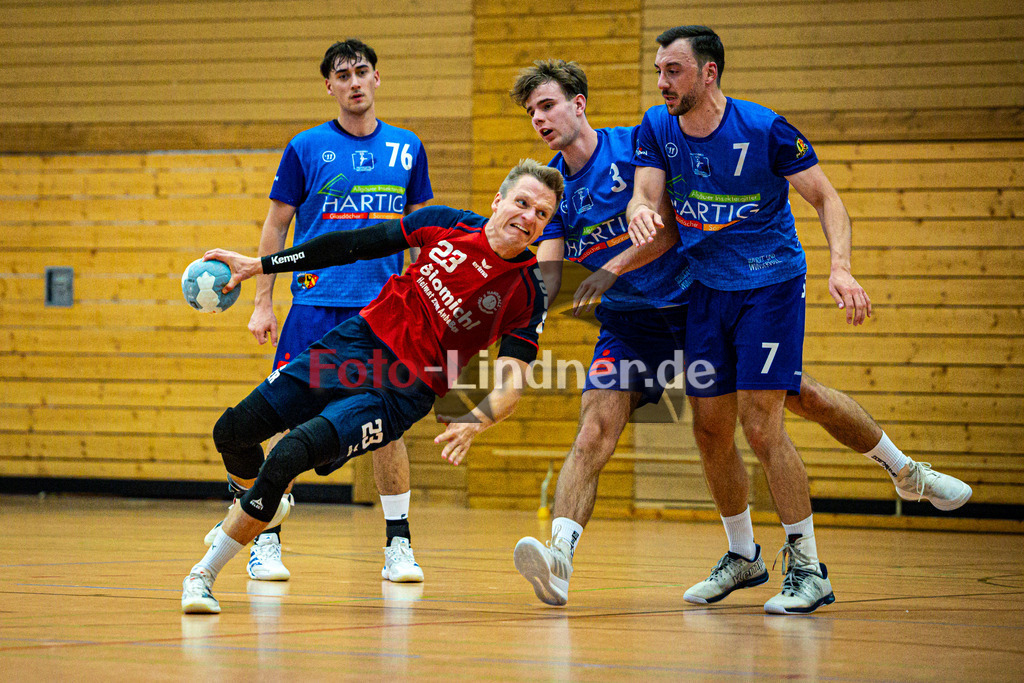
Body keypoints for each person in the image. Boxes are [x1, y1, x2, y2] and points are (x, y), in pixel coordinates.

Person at [507, 59, 972, 610]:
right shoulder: (556, 191)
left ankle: (906, 471)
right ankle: (561, 559)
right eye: (531, 112)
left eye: (547, 105)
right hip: (631, 326)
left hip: (698, 303)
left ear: (578, 104)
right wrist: (513, 282)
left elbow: (670, 230)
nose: (539, 119)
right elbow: (550, 273)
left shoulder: (637, 146)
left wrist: (611, 268)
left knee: (795, 398)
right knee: (596, 429)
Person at [181, 159, 562, 614]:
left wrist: (477, 419)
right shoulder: (447, 224)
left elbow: (512, 382)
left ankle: (202, 575)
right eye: (522, 202)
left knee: (288, 454)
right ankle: (260, 504)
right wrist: (259, 265)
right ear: (498, 201)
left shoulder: (528, 291)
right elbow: (350, 245)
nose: (529, 217)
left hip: (400, 390)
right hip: (354, 343)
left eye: (542, 213)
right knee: (232, 431)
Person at [212, 39, 434, 584]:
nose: (354, 81)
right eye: (343, 74)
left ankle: (398, 546)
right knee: (281, 420)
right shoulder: (305, 147)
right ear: (329, 86)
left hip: (383, 313)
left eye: (362, 71)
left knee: (388, 425)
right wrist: (263, 302)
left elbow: (425, 232)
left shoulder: (408, 147)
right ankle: (266, 541)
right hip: (313, 306)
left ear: (377, 78)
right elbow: (276, 226)